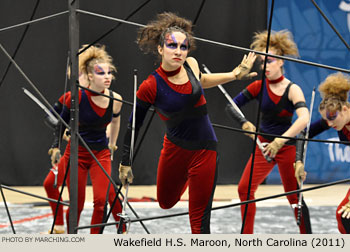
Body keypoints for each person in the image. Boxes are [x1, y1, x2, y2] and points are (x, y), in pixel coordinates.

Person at [118, 12, 257, 234]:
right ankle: (188, 177)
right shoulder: (150, 86)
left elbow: (200, 81)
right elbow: (133, 124)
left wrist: (234, 74)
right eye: (172, 45)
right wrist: (125, 162)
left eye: (183, 47)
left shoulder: (190, 64)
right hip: (174, 149)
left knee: (199, 223)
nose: (179, 51)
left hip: (205, 149)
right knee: (165, 202)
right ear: (160, 49)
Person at [226, 30, 312, 233]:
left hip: (286, 148)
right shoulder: (258, 86)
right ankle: (246, 238)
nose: (265, 66)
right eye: (262, 62)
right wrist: (244, 123)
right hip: (263, 146)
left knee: (294, 197)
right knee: (244, 189)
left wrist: (280, 142)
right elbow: (231, 106)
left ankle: (308, 239)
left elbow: (305, 119)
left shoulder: (293, 89)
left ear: (281, 61)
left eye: (270, 61)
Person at [45, 44, 123, 234]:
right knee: (71, 199)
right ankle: (67, 232)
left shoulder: (115, 99)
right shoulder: (74, 97)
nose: (107, 76)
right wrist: (57, 144)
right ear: (87, 75)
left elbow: (116, 121)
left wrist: (112, 144)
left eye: (109, 72)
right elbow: (56, 120)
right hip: (77, 153)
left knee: (103, 199)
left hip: (100, 153)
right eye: (100, 72)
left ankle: (105, 236)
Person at [295, 72, 350, 234]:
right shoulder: (335, 119)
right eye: (327, 120)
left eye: (332, 118)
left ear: (345, 109)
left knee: (345, 216)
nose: (330, 123)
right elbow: (303, 133)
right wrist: (298, 161)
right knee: (343, 218)